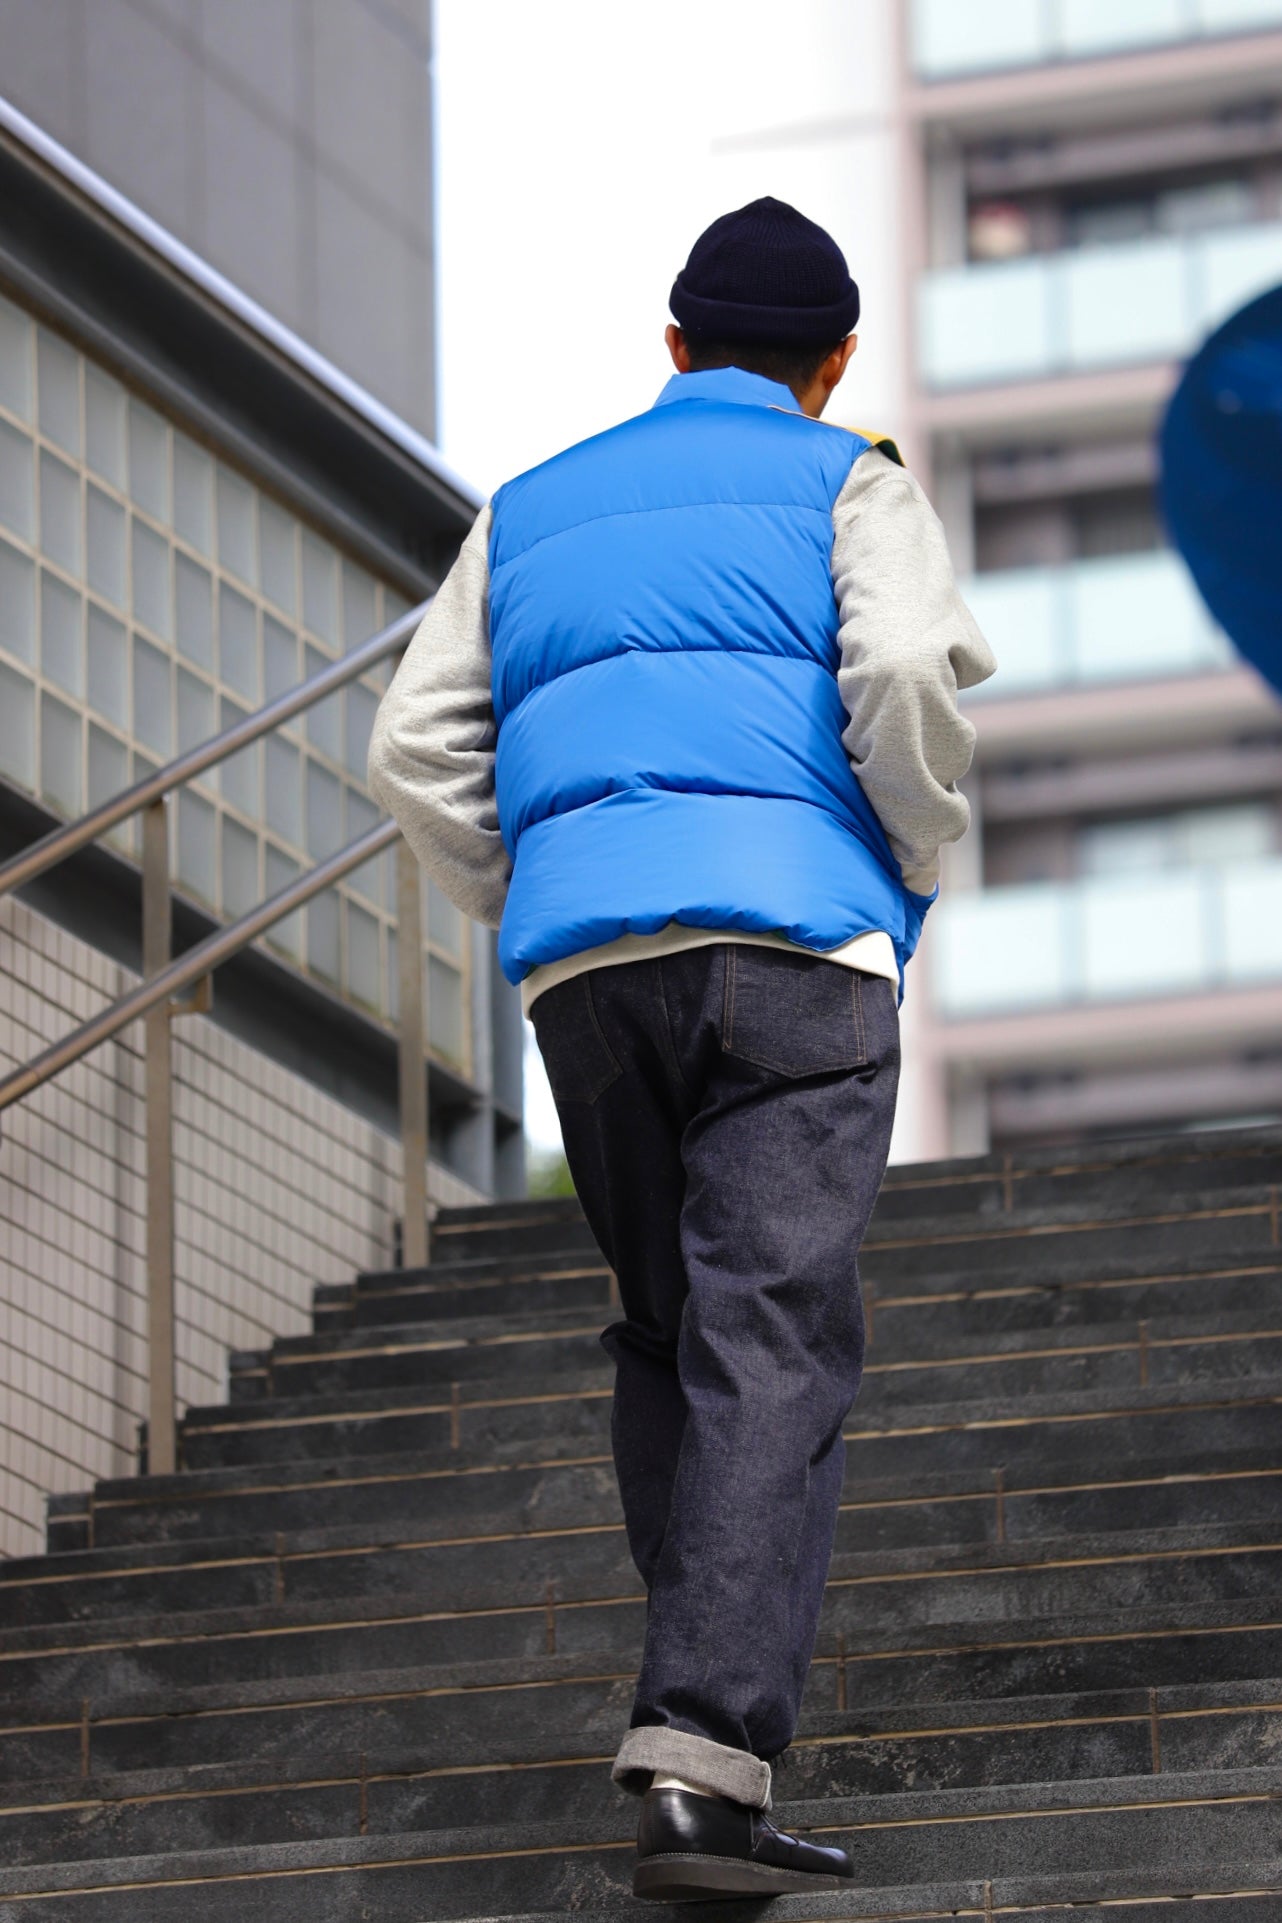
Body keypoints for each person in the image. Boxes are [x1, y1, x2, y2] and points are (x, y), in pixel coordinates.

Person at [368, 195, 996, 1902]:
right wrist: (908, 850)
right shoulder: (847, 476)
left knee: (672, 1338)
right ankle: (703, 1756)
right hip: (796, 951)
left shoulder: (534, 506)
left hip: (590, 973)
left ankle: (696, 1742)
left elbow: (417, 748)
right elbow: (907, 673)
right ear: (835, 359)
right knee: (770, 1341)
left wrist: (552, 876)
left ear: (671, 348)